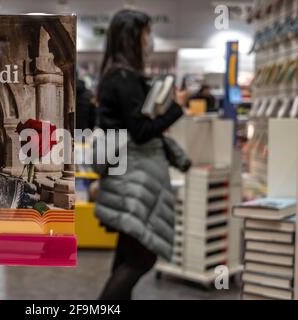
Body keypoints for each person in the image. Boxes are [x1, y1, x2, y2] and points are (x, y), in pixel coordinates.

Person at [94, 9, 189, 300]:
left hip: (127, 175)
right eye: (146, 34)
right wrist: (175, 108)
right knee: (141, 258)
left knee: (128, 255)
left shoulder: (115, 75)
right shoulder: (123, 77)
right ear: (132, 37)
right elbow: (141, 131)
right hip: (135, 176)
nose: (149, 41)